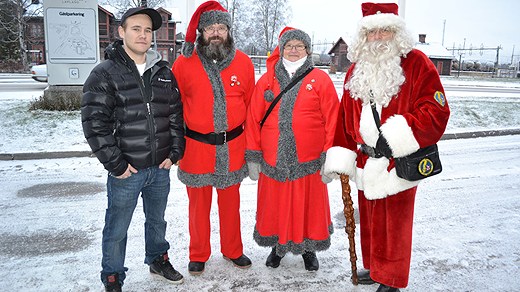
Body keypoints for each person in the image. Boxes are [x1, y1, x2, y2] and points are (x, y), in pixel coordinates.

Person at [323, 3, 450, 292]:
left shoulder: (417, 63)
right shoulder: (356, 69)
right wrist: (342, 156)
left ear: (396, 32)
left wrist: (398, 134)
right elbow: (345, 117)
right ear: (364, 36)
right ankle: (376, 268)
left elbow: (436, 110)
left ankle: (391, 278)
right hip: (366, 161)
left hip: (398, 159)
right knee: (369, 220)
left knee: (394, 224)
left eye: (385, 30)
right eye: (372, 31)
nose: (378, 36)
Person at [81, 7, 185, 292]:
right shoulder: (105, 72)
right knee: (117, 228)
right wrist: (115, 163)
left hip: (159, 168)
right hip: (126, 170)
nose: (143, 35)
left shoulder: (163, 71)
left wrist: (175, 152)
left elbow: (174, 114)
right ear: (121, 32)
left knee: (157, 221)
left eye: (148, 30)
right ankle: (113, 275)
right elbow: (94, 123)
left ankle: (157, 258)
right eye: (136, 28)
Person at [171, 0, 255, 275]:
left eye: (221, 27)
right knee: (198, 206)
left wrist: (253, 149)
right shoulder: (184, 63)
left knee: (231, 204)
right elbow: (174, 106)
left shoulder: (243, 62)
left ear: (229, 31)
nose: (216, 33)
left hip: (233, 146)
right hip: (196, 148)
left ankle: (233, 250)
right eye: (210, 28)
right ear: (201, 33)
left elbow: (252, 105)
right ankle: (198, 254)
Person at [245, 27, 339, 271]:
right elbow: (253, 118)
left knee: (308, 207)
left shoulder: (320, 79)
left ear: (307, 50)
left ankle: (309, 249)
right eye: (289, 46)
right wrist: (253, 154)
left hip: (308, 161)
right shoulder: (267, 80)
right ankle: (278, 246)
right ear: (281, 49)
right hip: (273, 160)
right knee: (276, 206)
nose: (294, 50)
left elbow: (333, 119)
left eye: (300, 46)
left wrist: (330, 156)